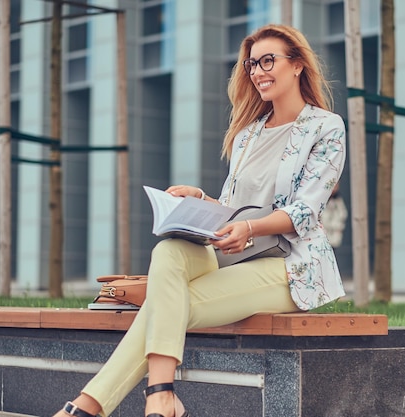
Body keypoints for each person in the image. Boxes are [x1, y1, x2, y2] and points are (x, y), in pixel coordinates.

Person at [54, 23, 346, 417]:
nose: (257, 71)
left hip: (289, 266)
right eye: (250, 64)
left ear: (296, 65)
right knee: (171, 250)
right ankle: (161, 395)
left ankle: (97, 405)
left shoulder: (326, 127)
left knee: (167, 303)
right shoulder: (248, 134)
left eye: (267, 60)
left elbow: (304, 211)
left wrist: (250, 229)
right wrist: (202, 199)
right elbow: (234, 207)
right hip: (232, 253)